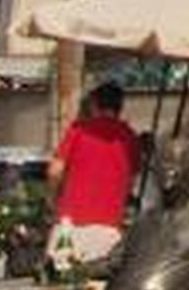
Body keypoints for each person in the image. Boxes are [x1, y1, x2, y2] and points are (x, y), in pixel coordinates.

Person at [49, 82, 143, 276]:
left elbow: (54, 171)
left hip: (70, 226)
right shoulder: (130, 137)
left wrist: (53, 197)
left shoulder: (80, 130)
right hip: (108, 228)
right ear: (120, 106)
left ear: (94, 104)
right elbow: (132, 181)